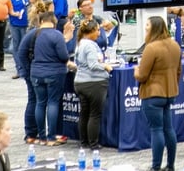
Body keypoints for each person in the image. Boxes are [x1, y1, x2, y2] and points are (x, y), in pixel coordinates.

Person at [134, 16, 181, 171]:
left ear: (153, 27)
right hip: (170, 93)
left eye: (147, 24)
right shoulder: (175, 45)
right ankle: (171, 165)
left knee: (156, 130)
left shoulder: (151, 47)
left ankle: (155, 167)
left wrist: (136, 71)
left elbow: (142, 75)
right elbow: (178, 71)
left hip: (153, 94)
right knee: (169, 129)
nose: (145, 27)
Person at [18, 11, 71, 146]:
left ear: (41, 21)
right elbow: (64, 56)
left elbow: (21, 52)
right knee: (52, 103)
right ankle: (52, 137)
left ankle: (41, 137)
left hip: (36, 73)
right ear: (54, 22)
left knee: (39, 103)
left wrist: (28, 71)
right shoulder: (57, 35)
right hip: (54, 73)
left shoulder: (34, 34)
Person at [74, 19, 113, 150]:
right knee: (94, 114)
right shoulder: (90, 45)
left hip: (81, 82)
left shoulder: (80, 44)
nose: (98, 33)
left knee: (84, 113)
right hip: (93, 83)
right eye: (97, 30)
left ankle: (84, 142)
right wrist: (106, 67)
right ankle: (93, 143)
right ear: (90, 31)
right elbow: (93, 65)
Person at [10, 0, 29, 79]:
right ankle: (19, 69)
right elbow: (9, 9)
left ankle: (26, 69)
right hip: (15, 25)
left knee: (25, 47)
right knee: (16, 47)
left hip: (26, 25)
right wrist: (14, 13)